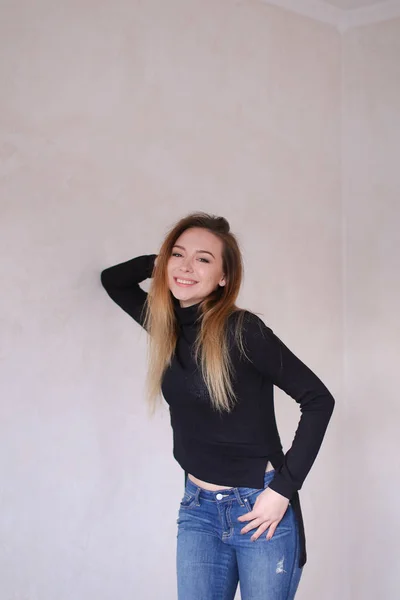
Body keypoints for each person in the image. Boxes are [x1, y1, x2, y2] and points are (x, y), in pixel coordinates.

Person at [100, 212, 335, 600]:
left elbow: (318, 400)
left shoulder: (243, 331)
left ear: (223, 277)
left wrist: (282, 491)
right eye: (179, 254)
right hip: (197, 508)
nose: (187, 266)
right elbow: (114, 281)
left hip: (258, 508)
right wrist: (162, 263)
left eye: (204, 259)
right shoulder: (166, 325)